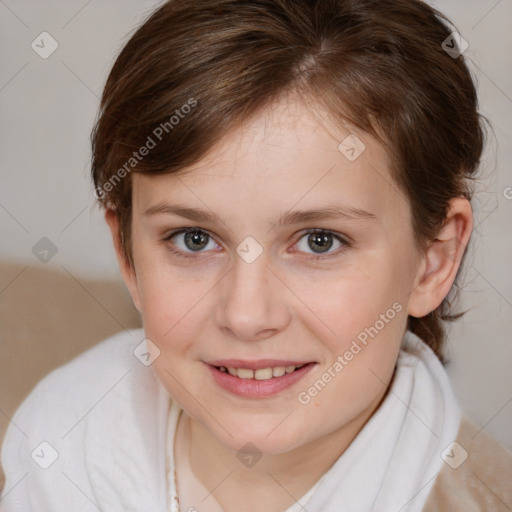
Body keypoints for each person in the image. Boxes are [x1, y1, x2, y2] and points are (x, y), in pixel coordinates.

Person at [1, 0, 511, 510]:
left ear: (433, 260)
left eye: (319, 241)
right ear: (128, 253)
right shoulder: (63, 435)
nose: (246, 315)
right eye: (194, 239)